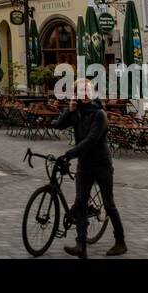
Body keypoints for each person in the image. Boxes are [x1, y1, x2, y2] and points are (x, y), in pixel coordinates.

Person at [52, 77, 126, 258]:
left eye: (86, 90)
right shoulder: (77, 111)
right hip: (84, 165)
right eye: (79, 91)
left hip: (101, 165)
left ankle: (120, 242)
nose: (83, 94)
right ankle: (81, 245)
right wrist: (68, 112)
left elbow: (91, 140)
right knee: (81, 204)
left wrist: (70, 153)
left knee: (109, 204)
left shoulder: (100, 114)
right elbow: (58, 125)